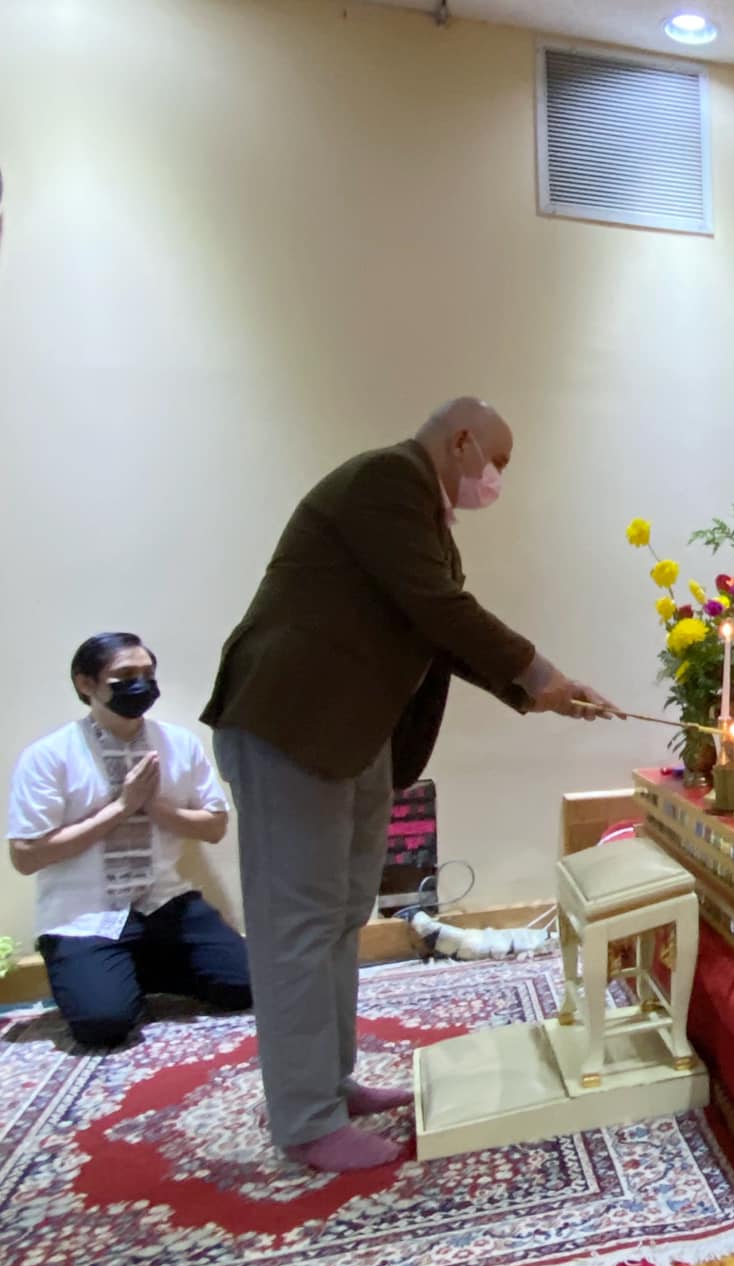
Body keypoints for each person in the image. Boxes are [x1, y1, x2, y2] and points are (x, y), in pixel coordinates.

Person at [203, 397, 619, 1172]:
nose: (495, 482)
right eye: (495, 463)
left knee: (339, 915)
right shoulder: (387, 480)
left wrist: (539, 693)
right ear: (461, 441)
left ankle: (329, 1083)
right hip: (293, 725)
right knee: (300, 923)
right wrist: (540, 673)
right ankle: (305, 1120)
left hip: (351, 737)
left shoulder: (416, 515)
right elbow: (441, 609)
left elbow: (435, 628)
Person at [9, 633, 251, 1048]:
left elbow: (214, 826)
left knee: (247, 987)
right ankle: (105, 977)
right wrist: (120, 808)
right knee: (103, 1025)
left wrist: (154, 807)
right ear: (86, 684)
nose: (140, 684)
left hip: (165, 903)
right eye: (125, 675)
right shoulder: (49, 755)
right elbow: (26, 856)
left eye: (147, 674)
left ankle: (130, 969)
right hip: (84, 914)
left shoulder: (177, 744)